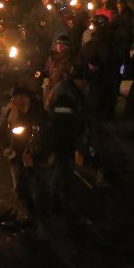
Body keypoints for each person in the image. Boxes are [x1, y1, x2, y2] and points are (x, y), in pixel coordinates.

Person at [46, 64, 90, 213]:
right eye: (84, 81)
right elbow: (63, 122)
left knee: (61, 170)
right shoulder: (66, 94)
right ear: (79, 80)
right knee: (63, 171)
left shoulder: (70, 90)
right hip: (63, 140)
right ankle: (59, 203)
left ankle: (57, 201)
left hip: (63, 139)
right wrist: (76, 142)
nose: (86, 85)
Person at [0, 87, 46, 219]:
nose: (15, 101)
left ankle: (41, 211)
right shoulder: (11, 112)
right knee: (19, 185)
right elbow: (2, 132)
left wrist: (33, 149)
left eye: (18, 98)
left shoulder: (36, 111)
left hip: (32, 154)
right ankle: (28, 211)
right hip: (15, 154)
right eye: (14, 98)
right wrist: (6, 147)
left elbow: (41, 132)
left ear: (26, 97)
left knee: (35, 182)